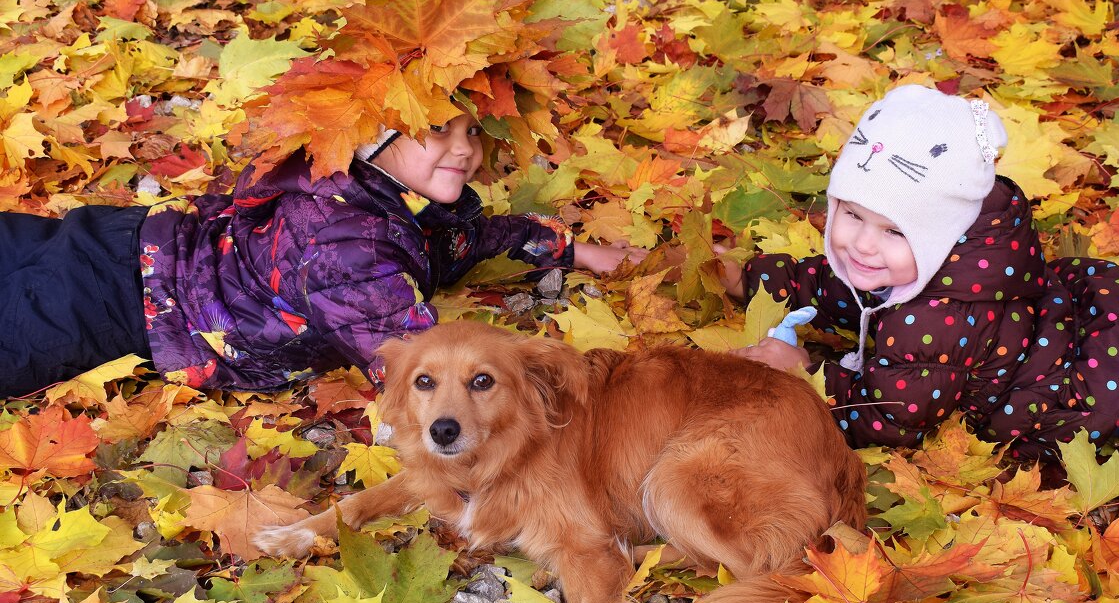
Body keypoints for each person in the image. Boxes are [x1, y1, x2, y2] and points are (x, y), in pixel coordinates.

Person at [0, 112, 640, 398]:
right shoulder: (353, 249)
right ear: (375, 142)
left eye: (473, 129)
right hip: (110, 307)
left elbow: (472, 239)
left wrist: (576, 251)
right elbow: (429, 372)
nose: (463, 148)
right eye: (437, 128)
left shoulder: (382, 201)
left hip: (126, 238)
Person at [721, 84, 1119, 463]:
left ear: (940, 233)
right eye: (851, 215)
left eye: (894, 231)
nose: (863, 244)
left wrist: (805, 373)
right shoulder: (940, 253)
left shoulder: (933, 318)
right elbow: (834, 284)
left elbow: (887, 417)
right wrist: (749, 279)